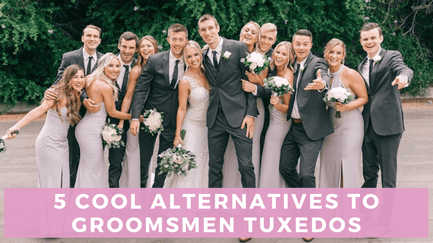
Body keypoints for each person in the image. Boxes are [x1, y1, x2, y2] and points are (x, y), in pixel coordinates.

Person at [197, 14, 257, 189]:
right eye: (203, 30)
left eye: (210, 28)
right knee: (214, 166)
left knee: (246, 165)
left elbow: (250, 81)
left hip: (239, 116)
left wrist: (250, 113)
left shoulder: (238, 47)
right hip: (215, 117)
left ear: (218, 28)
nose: (207, 32)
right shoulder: (203, 54)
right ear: (200, 33)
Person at [5, 65, 84, 188]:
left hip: (63, 144)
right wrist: (17, 126)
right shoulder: (57, 94)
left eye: (81, 77)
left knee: (62, 181)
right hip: (48, 143)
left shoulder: (76, 95)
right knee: (51, 181)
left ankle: (58, 206)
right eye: (75, 77)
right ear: (68, 79)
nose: (79, 80)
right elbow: (38, 111)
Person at [130, 24, 188, 188]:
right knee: (144, 159)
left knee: (164, 162)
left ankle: (156, 194)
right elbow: (141, 89)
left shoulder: (191, 60)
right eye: (174, 39)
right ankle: (140, 192)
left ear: (186, 40)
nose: (177, 43)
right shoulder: (155, 60)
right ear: (168, 39)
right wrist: (135, 116)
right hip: (151, 117)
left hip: (173, 120)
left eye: (181, 39)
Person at [48, 24, 104, 188]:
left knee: (93, 156)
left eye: (95, 36)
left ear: (99, 40)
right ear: (82, 38)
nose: (92, 39)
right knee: (72, 155)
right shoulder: (69, 57)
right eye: (89, 36)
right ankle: (70, 191)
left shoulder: (104, 60)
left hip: (96, 115)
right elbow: (60, 81)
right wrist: (50, 93)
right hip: (73, 113)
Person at [358, 22, 413, 188]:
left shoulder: (391, 56)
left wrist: (404, 77)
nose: (369, 42)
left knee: (388, 177)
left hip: (388, 125)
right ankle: (366, 212)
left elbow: (403, 69)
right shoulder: (361, 65)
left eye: (373, 38)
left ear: (380, 38)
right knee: (369, 174)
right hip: (367, 125)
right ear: (361, 42)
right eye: (365, 39)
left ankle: (387, 214)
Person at [278, 29, 333, 188]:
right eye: (298, 44)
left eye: (305, 44)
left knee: (307, 174)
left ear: (311, 45)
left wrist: (322, 84)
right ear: (293, 44)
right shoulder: (291, 63)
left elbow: (323, 74)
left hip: (312, 129)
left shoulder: (317, 62)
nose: (301, 47)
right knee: (285, 168)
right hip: (293, 128)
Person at [74, 53, 131, 188]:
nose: (115, 69)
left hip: (86, 128)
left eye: (117, 66)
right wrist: (134, 117)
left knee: (88, 167)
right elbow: (112, 112)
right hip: (91, 131)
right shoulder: (105, 86)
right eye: (110, 66)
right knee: (94, 168)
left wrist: (83, 97)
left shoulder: (90, 78)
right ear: (103, 67)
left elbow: (76, 87)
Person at [319, 38, 368, 188]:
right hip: (330, 126)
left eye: (338, 53)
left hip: (350, 125)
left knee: (346, 164)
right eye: (331, 52)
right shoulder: (321, 75)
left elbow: (364, 98)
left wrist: (347, 107)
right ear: (325, 53)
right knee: (329, 164)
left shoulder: (350, 74)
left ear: (343, 55)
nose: (334, 56)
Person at [223, 21, 263, 188]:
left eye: (253, 32)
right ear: (240, 33)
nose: (248, 33)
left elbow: (264, 90)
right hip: (224, 112)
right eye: (246, 29)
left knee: (245, 163)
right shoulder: (225, 51)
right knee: (225, 158)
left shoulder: (260, 60)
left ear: (257, 38)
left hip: (248, 113)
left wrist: (256, 84)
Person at [165, 40, 210, 188]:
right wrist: (178, 134)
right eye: (189, 57)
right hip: (191, 127)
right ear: (185, 59)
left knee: (205, 163)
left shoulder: (208, 73)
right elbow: (182, 108)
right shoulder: (185, 81)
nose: (194, 59)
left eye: (196, 54)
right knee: (190, 164)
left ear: (201, 54)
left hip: (208, 127)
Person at [119, 35, 159, 188]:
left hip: (153, 117)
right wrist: (124, 120)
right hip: (137, 117)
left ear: (155, 47)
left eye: (149, 45)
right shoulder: (137, 70)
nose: (145, 49)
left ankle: (145, 187)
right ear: (139, 50)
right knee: (134, 154)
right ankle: (131, 188)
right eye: (142, 46)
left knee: (146, 157)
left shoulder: (161, 66)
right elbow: (129, 96)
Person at [258, 41, 294, 188]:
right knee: (271, 156)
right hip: (272, 120)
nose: (279, 56)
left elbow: (287, 108)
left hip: (280, 123)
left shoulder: (287, 75)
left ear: (289, 58)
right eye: (278, 52)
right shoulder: (274, 70)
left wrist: (277, 104)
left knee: (271, 156)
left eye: (284, 54)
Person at [107, 31, 138, 188]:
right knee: (110, 162)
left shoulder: (140, 66)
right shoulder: (107, 63)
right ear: (119, 45)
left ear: (135, 49)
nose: (127, 51)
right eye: (124, 46)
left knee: (121, 160)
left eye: (131, 47)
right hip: (106, 118)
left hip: (130, 119)